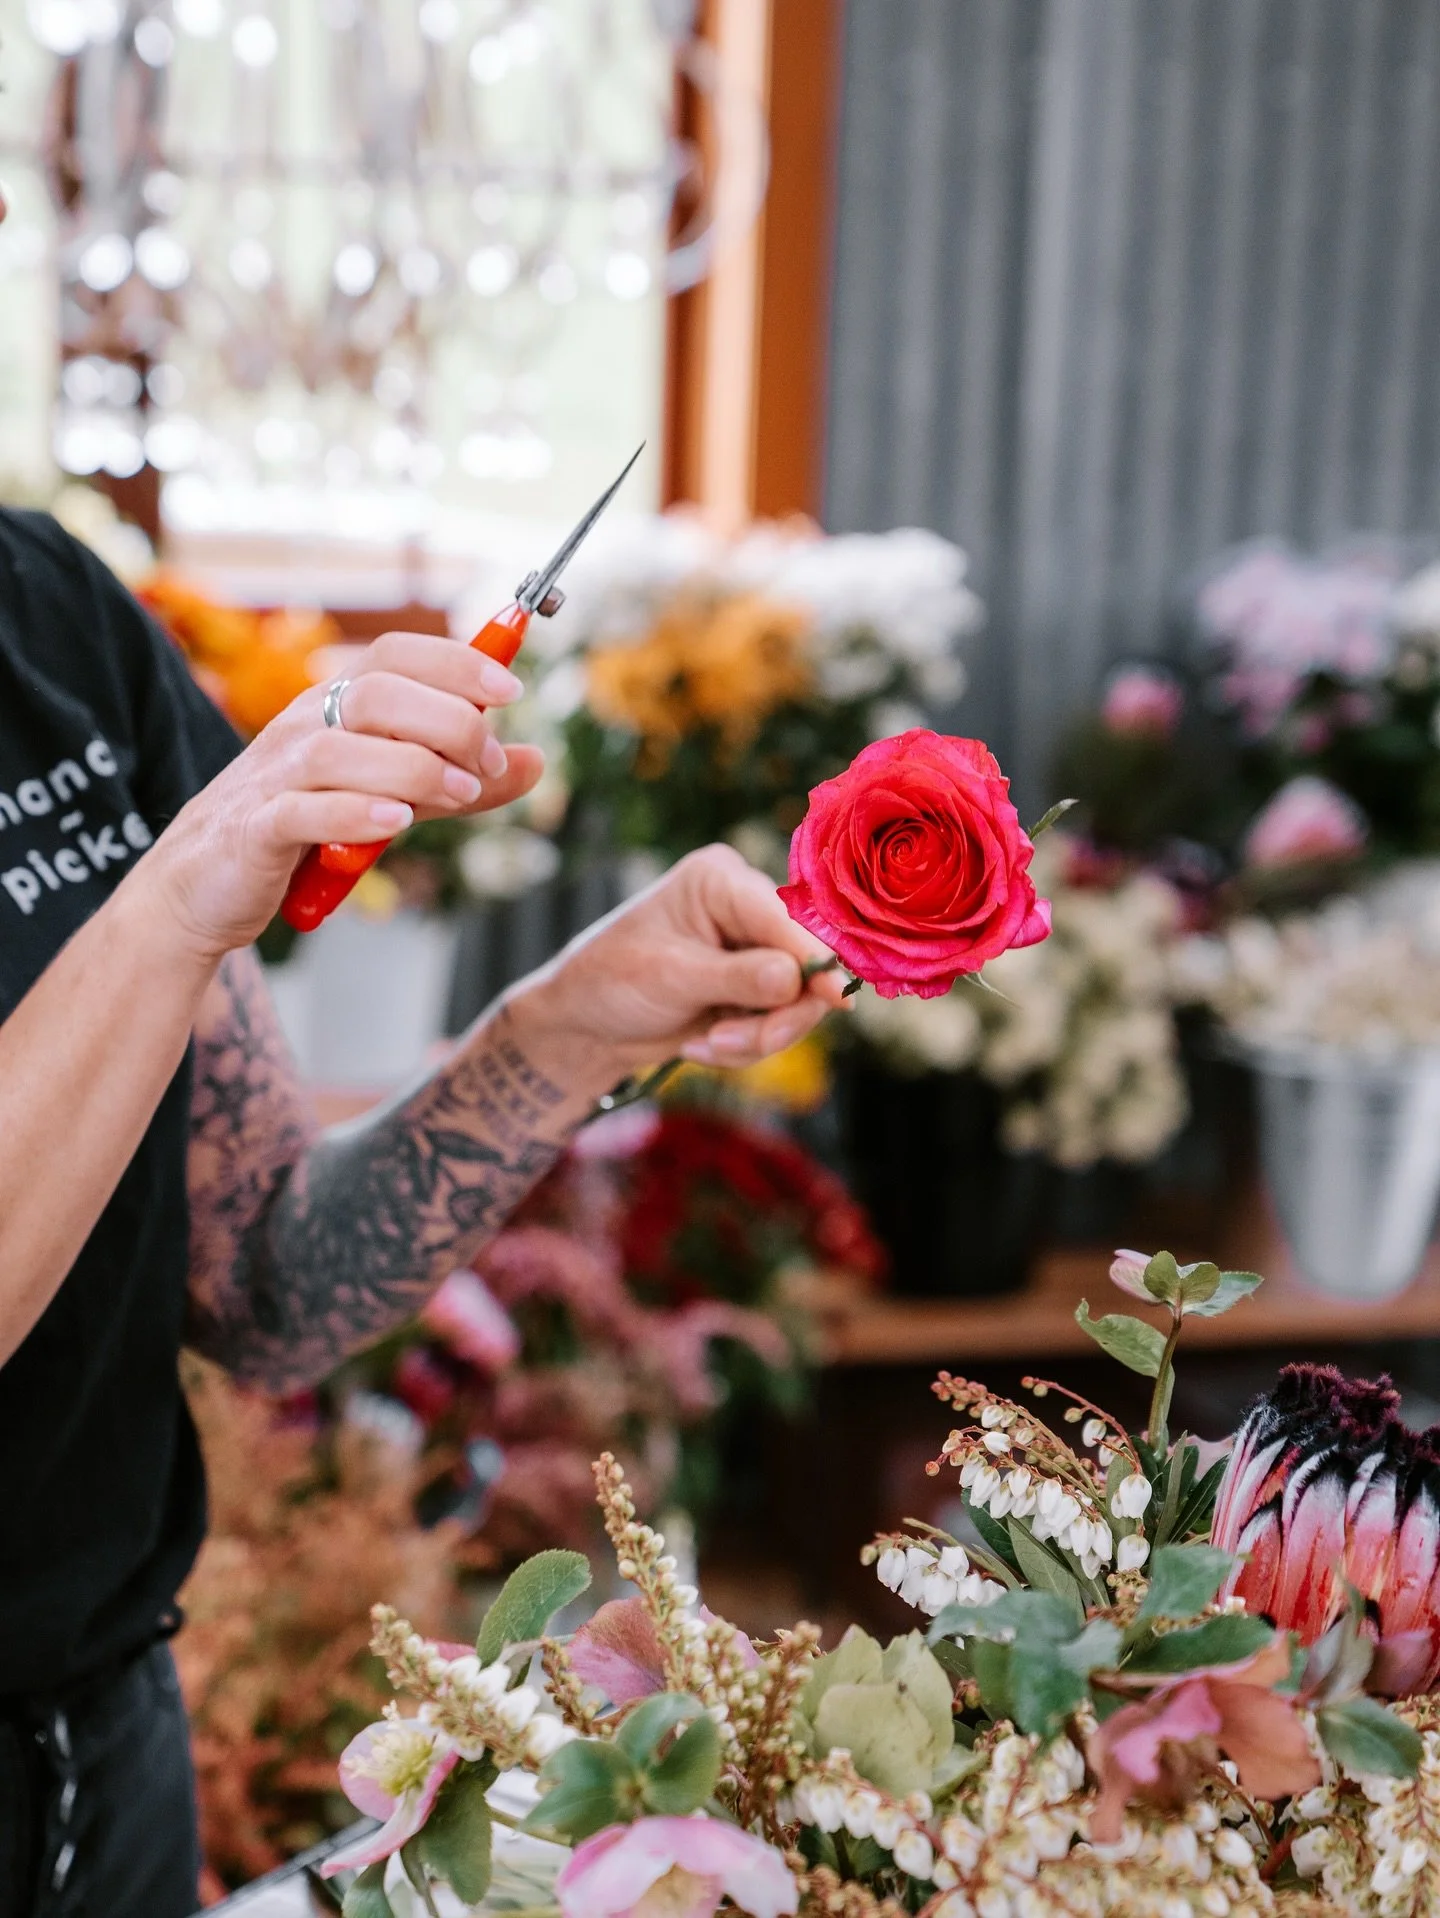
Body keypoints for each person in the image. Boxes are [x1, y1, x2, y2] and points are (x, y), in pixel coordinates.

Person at [0, 187, 841, 1918]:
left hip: (108, 1747)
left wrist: (570, 1023)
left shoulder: (55, 624)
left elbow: (270, 1280)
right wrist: (170, 906)